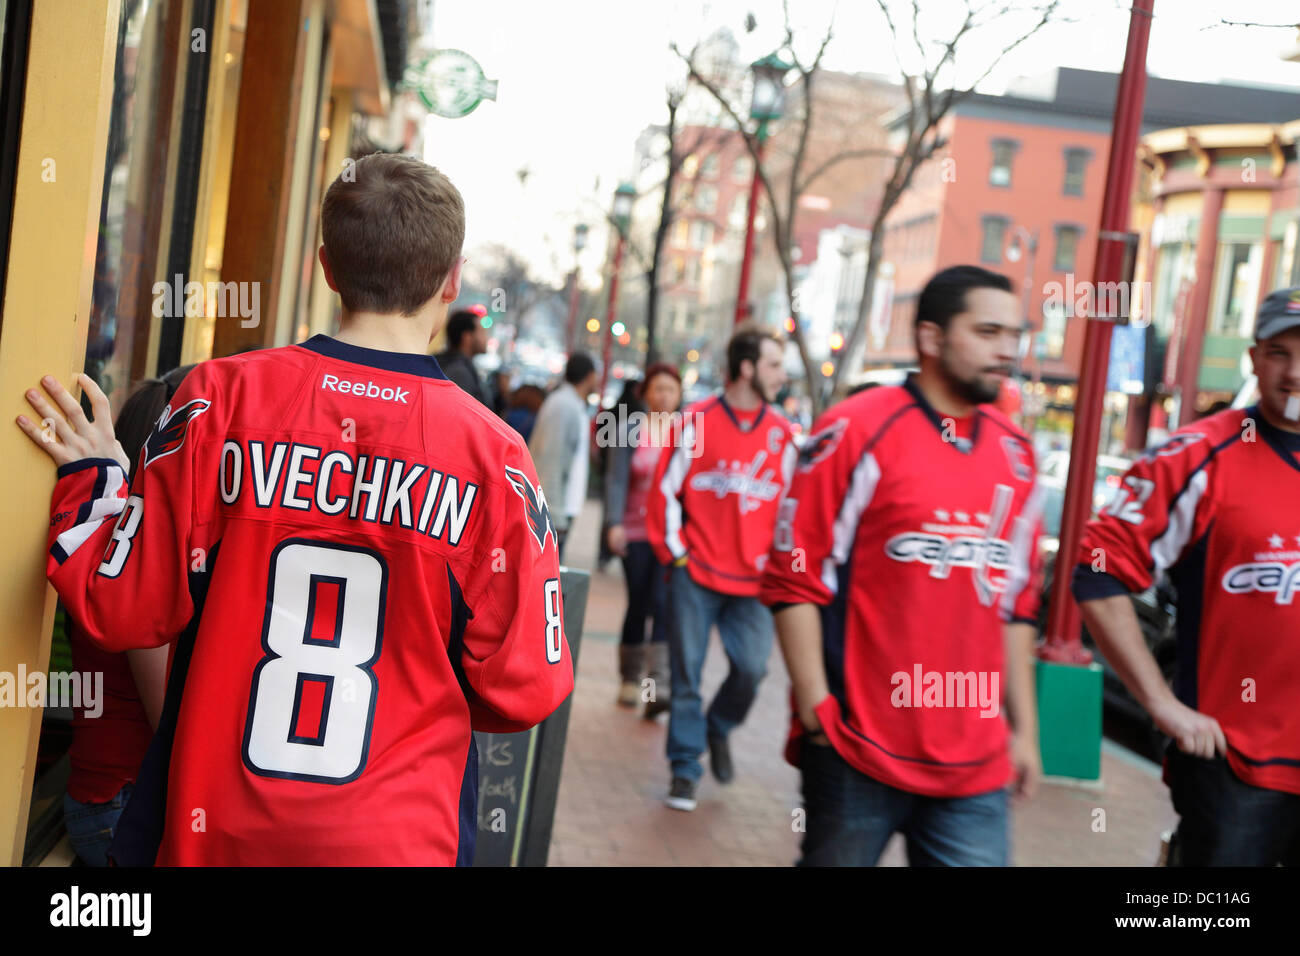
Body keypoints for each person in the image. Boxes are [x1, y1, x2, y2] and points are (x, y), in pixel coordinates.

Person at [17, 152, 573, 865]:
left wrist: (93, 478)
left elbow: (120, 605)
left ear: (325, 266)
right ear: (451, 281)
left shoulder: (220, 399)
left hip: (217, 830)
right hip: (400, 839)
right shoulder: (493, 457)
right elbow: (524, 689)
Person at [760, 265, 1044, 866]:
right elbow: (794, 574)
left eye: (1014, 335)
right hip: (858, 747)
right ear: (932, 339)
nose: (1007, 350)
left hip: (976, 764)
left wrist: (1026, 733)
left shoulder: (1018, 456)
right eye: (988, 332)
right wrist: (817, 713)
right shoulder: (858, 426)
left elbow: (1016, 608)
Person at [1072, 286, 1300, 866]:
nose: (1295, 374)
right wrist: (1159, 703)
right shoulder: (1199, 454)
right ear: (1253, 360)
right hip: (1238, 765)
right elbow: (1096, 568)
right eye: (1280, 352)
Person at [646, 326, 796, 811]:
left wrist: (781, 566)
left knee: (752, 670)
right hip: (697, 572)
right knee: (686, 676)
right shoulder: (696, 421)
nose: (783, 374)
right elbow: (665, 492)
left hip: (753, 583)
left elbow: (793, 511)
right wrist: (678, 554)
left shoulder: (784, 435)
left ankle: (719, 728)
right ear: (748, 368)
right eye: (774, 364)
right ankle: (685, 768)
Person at [60, 365, 191, 866]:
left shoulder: (130, 529)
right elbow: (171, 725)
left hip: (121, 799)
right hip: (119, 805)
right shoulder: (143, 556)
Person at [603, 363, 681, 717]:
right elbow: (616, 479)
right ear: (646, 393)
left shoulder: (688, 433)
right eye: (658, 388)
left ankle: (656, 689)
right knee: (639, 603)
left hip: (672, 536)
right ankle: (630, 679)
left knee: (663, 605)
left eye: (671, 389)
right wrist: (613, 523)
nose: (664, 395)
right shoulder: (629, 427)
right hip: (635, 531)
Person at [528, 354, 598, 560]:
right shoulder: (564, 406)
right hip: (555, 509)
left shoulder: (569, 403)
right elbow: (552, 460)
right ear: (589, 376)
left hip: (560, 506)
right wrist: (554, 514)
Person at [436, 307, 489, 405]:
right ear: (467, 337)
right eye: (482, 332)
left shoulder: (442, 364)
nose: (486, 338)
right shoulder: (459, 373)